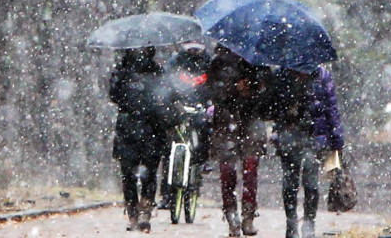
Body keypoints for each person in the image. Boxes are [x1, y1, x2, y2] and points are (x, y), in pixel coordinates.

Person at [269, 66, 345, 238]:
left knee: (311, 181)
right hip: (288, 134)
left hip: (313, 137)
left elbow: (331, 108)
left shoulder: (321, 75)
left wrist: (336, 140)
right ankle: (291, 222)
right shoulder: (282, 74)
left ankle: (309, 222)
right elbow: (271, 106)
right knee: (290, 181)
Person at [207, 46, 270, 237]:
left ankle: (248, 217)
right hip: (226, 123)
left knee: (250, 172)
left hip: (251, 123)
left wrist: (253, 89)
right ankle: (231, 217)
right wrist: (234, 88)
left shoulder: (259, 61)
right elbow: (212, 93)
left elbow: (268, 96)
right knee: (227, 173)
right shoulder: (218, 63)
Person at [109, 47, 168, 232]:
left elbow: (166, 95)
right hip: (129, 127)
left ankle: (145, 212)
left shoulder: (156, 71)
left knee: (149, 171)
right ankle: (133, 213)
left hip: (151, 126)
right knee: (128, 173)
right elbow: (114, 94)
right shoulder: (122, 71)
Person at [157, 41, 212, 210]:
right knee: (170, 149)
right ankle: (167, 194)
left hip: (201, 107)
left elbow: (214, 84)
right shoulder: (175, 61)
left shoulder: (208, 62)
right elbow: (166, 81)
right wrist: (170, 101)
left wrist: (210, 103)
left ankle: (202, 163)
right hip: (178, 107)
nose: (194, 50)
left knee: (203, 134)